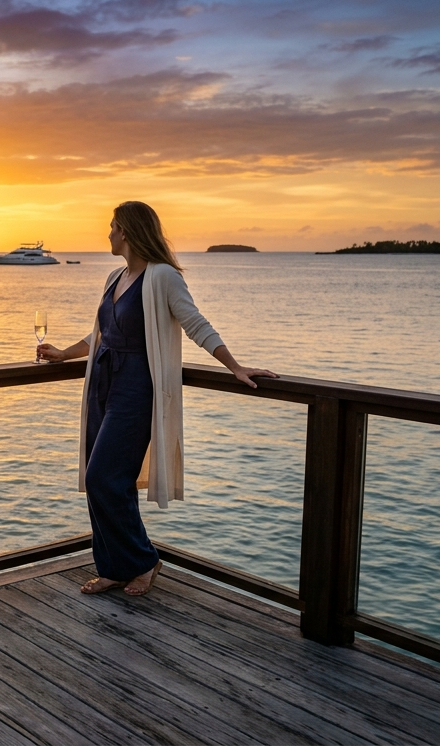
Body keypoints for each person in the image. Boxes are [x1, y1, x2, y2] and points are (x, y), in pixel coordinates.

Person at [37, 201, 277, 596]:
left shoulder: (163, 276)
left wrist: (235, 366)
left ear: (127, 231)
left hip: (136, 387)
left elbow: (195, 323)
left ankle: (144, 560)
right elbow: (101, 333)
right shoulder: (115, 277)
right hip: (102, 382)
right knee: (107, 480)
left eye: (112, 226)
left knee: (103, 477)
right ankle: (114, 568)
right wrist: (64, 353)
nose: (108, 233)